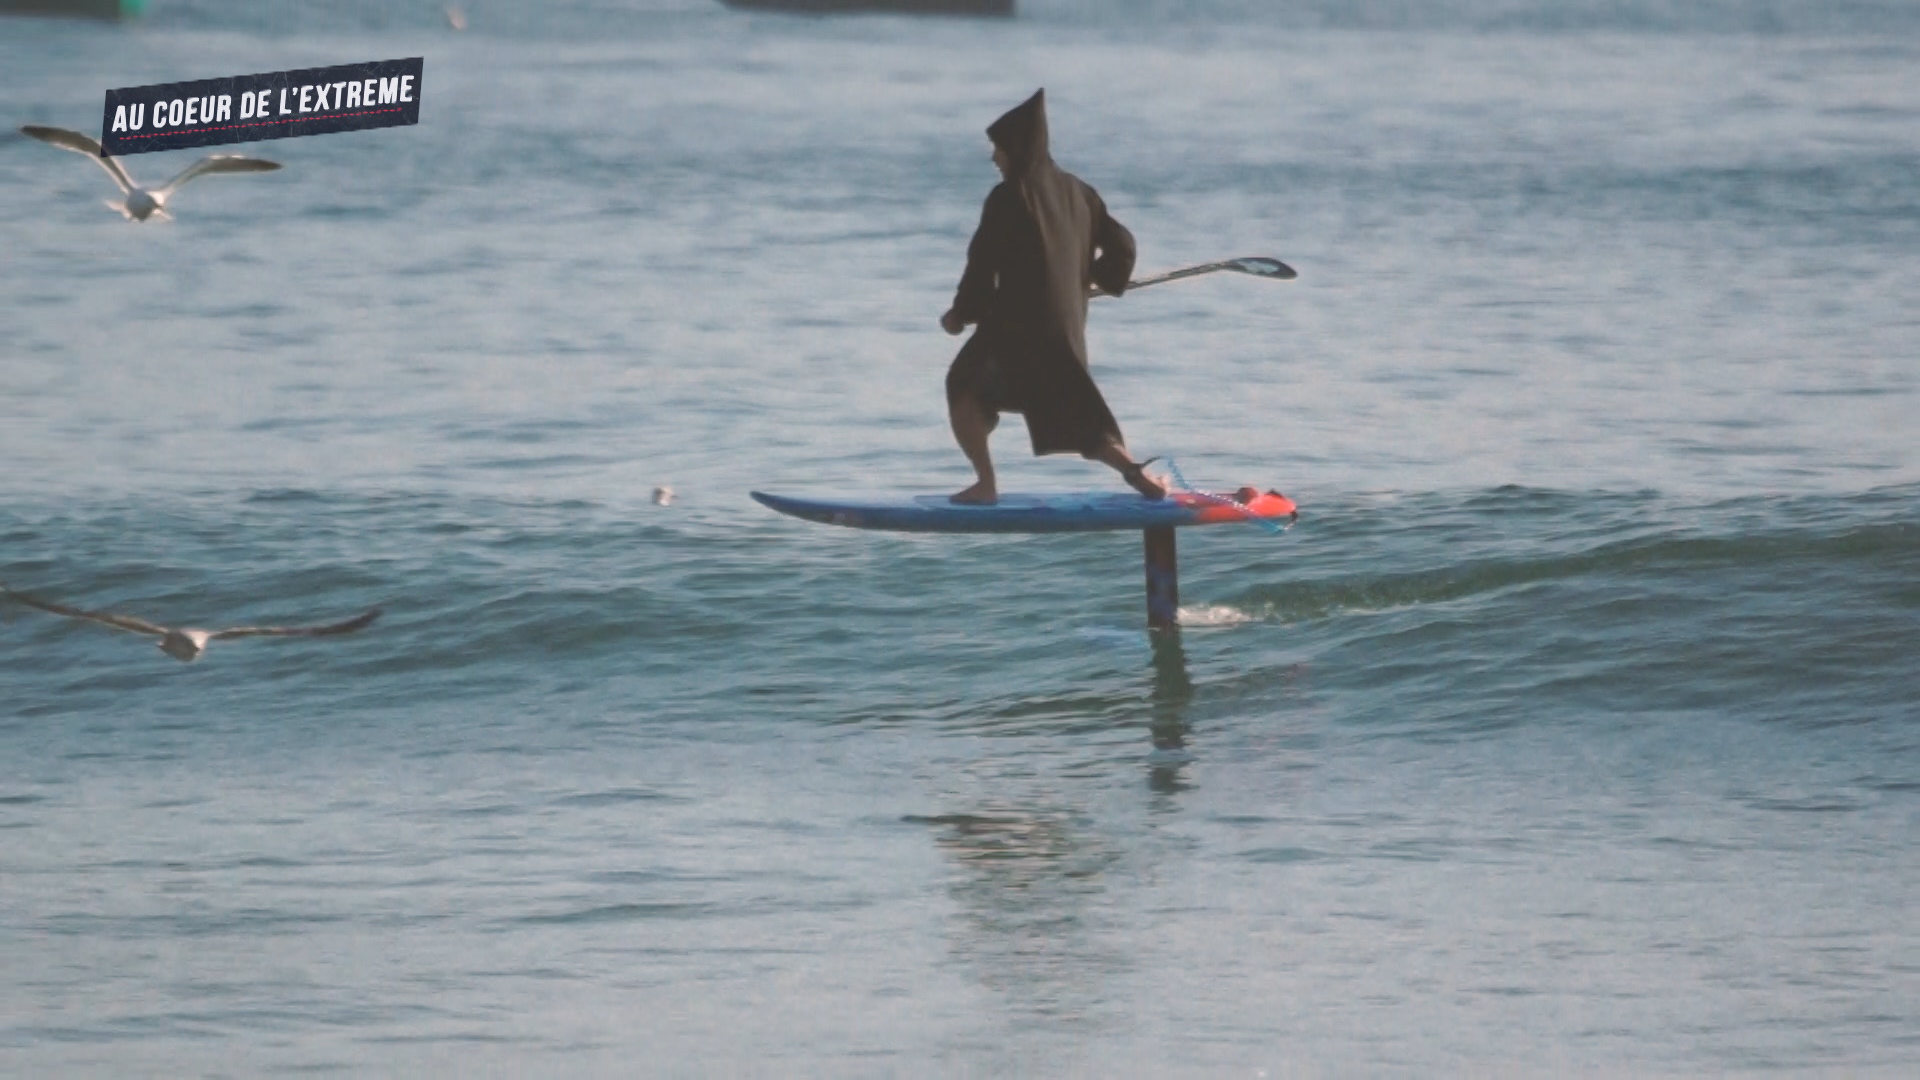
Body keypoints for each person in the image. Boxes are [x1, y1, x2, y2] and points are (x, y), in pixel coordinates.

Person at [940, 89, 1166, 505]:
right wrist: (1094, 279)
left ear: (1017, 148)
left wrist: (960, 314)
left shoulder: (1007, 197)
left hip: (1012, 332)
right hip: (1063, 331)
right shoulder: (1081, 193)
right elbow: (1124, 246)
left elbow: (981, 265)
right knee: (1078, 413)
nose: (995, 159)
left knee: (963, 384)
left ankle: (985, 483)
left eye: (998, 149)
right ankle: (1135, 471)